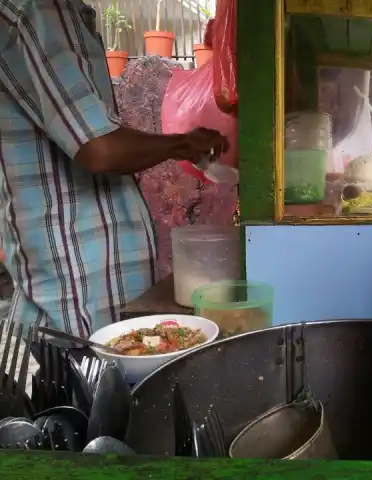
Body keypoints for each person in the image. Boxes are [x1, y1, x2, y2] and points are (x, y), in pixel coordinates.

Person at [0, 0, 228, 337]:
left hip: (91, 289)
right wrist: (181, 144)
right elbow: (99, 149)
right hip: (75, 298)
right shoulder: (37, 9)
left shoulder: (64, 13)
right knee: (82, 385)